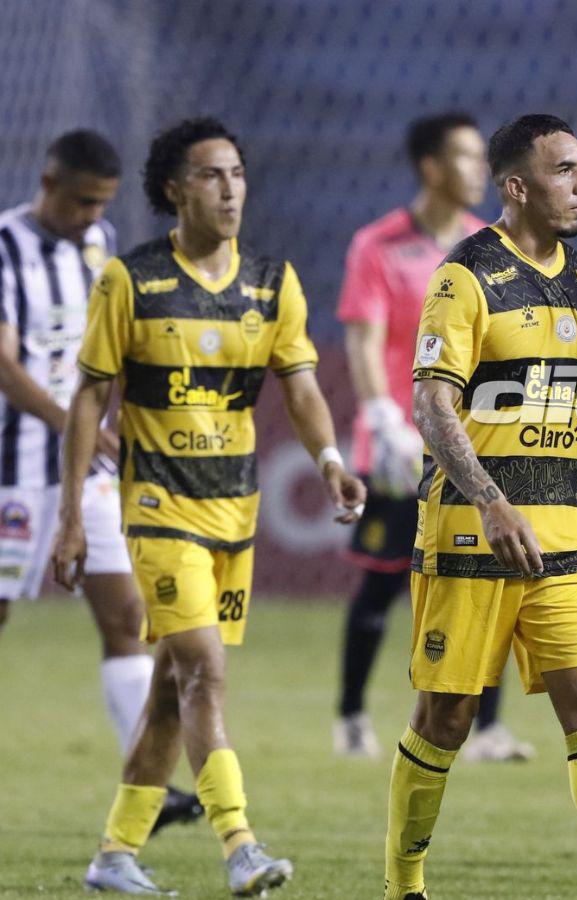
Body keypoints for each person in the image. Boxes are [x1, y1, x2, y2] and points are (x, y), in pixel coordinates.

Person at [51, 117, 366, 895]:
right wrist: (69, 517)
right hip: (159, 509)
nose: (229, 190)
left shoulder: (272, 282)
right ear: (174, 190)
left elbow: (298, 388)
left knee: (170, 689)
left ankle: (113, 855)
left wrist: (329, 460)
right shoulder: (131, 282)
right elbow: (89, 398)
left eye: (237, 174)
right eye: (210, 176)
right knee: (204, 671)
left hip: (236, 511)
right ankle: (241, 846)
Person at [382, 114, 577, 900]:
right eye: (566, 170)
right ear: (517, 186)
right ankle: (404, 884)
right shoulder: (465, 277)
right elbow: (432, 404)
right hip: (472, 534)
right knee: (447, 718)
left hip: (567, 535)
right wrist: (491, 501)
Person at [0, 128, 202, 833]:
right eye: (82, 201)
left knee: (125, 619)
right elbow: (3, 363)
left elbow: (109, 341)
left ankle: (147, 793)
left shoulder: (99, 242)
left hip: (84, 461)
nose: (93, 215)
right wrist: (75, 422)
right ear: (49, 183)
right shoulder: (3, 246)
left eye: (103, 204)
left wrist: (111, 414)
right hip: (12, 471)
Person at [335, 112, 531, 763]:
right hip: (396, 445)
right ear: (430, 166)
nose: (481, 170)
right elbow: (363, 340)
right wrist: (382, 416)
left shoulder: (487, 243)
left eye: (483, 158)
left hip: (470, 444)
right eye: (467, 157)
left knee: (489, 576)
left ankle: (488, 728)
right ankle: (352, 717)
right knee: (384, 580)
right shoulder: (379, 245)